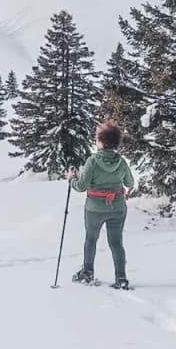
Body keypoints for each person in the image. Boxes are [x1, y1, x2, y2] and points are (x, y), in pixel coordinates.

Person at [67, 121, 136, 289]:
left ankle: (87, 272)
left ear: (102, 141)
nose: (94, 139)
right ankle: (121, 278)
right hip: (117, 207)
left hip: (94, 208)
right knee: (116, 243)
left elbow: (81, 186)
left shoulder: (92, 161)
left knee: (91, 240)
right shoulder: (121, 162)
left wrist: (71, 178)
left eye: (96, 137)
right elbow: (130, 182)